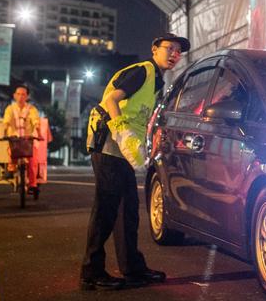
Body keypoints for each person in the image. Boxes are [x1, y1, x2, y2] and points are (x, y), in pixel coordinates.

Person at [80, 33, 190, 291]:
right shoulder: (143, 71)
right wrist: (122, 132)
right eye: (169, 48)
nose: (175, 54)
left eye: (178, 52)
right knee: (106, 209)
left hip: (123, 151)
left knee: (127, 209)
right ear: (154, 49)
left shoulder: (156, 81)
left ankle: (132, 268)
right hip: (110, 146)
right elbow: (111, 100)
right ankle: (91, 272)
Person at [2, 84, 40, 193]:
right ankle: (10, 169)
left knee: (33, 160)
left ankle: (32, 184)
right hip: (14, 140)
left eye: (23, 94)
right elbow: (6, 121)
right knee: (10, 151)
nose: (20, 97)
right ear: (14, 96)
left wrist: (37, 128)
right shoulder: (10, 109)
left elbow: (35, 120)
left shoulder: (32, 109)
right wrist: (5, 131)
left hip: (28, 140)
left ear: (27, 96)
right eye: (18, 94)